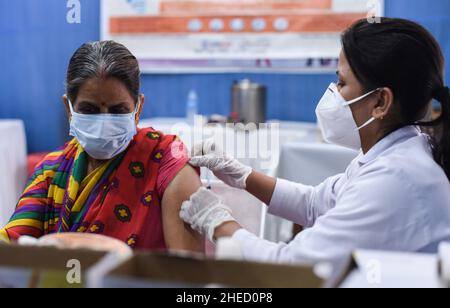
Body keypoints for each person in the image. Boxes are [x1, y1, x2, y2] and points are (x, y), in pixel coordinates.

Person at [180, 18, 450, 263]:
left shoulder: (394, 179)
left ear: (381, 102)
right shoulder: (394, 151)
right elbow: (313, 203)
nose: (333, 93)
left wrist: (216, 222)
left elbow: (293, 268)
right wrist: (240, 174)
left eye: (342, 83)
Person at [0, 41, 204, 252]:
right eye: (89, 109)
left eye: (118, 110)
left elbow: (187, 269)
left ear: (138, 108)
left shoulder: (166, 162)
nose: (104, 122)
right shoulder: (51, 171)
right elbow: (11, 250)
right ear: (69, 109)